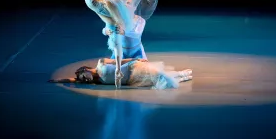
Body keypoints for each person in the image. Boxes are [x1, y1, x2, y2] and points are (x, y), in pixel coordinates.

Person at [48, 57, 193, 90]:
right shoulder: (97, 80)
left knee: (158, 74)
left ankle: (181, 74)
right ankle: (181, 77)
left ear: (85, 70)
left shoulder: (101, 63)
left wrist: (136, 59)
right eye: (84, 79)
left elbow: (119, 59)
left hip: (133, 68)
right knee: (157, 80)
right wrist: (57, 80)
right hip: (133, 80)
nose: (85, 79)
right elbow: (72, 80)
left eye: (84, 76)